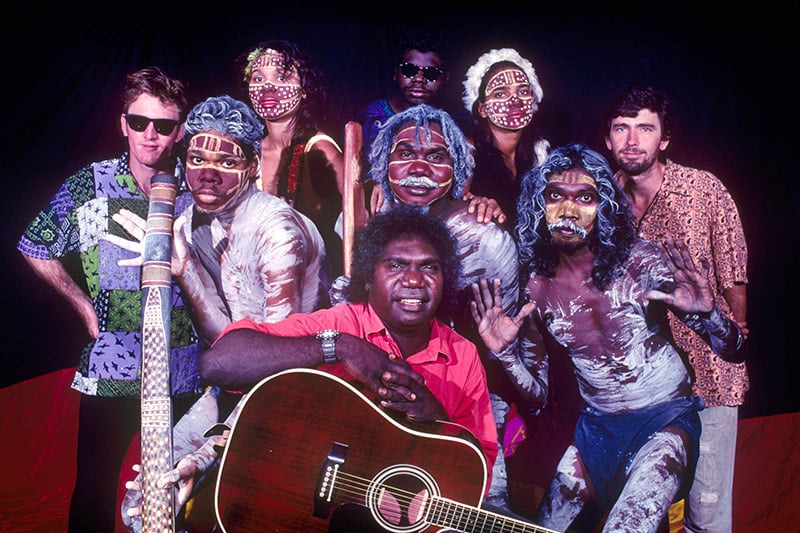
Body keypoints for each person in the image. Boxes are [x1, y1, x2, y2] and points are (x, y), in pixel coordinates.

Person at [125, 206, 499, 531]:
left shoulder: (462, 356)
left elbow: (475, 478)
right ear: (368, 277)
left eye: (429, 268)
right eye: (397, 265)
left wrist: (436, 419)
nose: (415, 280)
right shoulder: (340, 323)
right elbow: (219, 363)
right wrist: (338, 346)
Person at [470, 143, 746, 533]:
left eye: (585, 197)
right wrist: (506, 357)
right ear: (538, 204)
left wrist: (710, 314)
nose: (568, 210)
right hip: (595, 432)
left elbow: (733, 350)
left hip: (664, 421)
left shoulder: (641, 260)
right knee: (546, 529)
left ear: (605, 207)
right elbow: (536, 399)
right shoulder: (536, 288)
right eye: (555, 196)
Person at [112, 93, 326, 531]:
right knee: (145, 498)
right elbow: (229, 341)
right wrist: (185, 271)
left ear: (251, 167)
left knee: (224, 504)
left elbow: (276, 365)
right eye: (196, 159)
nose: (207, 176)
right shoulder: (190, 222)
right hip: (233, 385)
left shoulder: (277, 230)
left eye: (226, 163)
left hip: (298, 392)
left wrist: (205, 455)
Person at [16, 66, 203, 532]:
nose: (150, 136)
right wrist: (83, 306)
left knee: (184, 492)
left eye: (164, 125)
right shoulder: (92, 186)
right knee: (95, 489)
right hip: (115, 364)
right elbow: (34, 245)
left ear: (179, 130)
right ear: (124, 123)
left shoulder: (197, 189)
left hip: (185, 368)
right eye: (139, 122)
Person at [363, 103, 523, 516]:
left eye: (436, 156)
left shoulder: (486, 238)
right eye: (404, 154)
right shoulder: (361, 219)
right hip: (374, 398)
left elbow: (506, 340)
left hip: (461, 398)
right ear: (384, 162)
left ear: (459, 167)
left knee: (478, 512)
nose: (419, 167)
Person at [604, 85, 749, 533]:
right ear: (607, 138)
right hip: (638, 389)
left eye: (645, 128)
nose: (632, 140)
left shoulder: (703, 190)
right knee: (644, 515)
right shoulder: (601, 201)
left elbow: (736, 286)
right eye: (621, 128)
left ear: (664, 139)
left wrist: (730, 341)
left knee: (705, 517)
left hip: (708, 378)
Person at [237, 39, 344, 286]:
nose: (268, 88)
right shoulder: (249, 154)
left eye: (282, 77)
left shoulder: (320, 149)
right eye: (258, 78)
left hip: (315, 286)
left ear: (304, 89)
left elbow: (355, 223)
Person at [461, 47, 550, 230]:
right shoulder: (467, 152)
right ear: (482, 109)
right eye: (501, 94)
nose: (515, 101)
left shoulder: (539, 152)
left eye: (523, 91)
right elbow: (454, 211)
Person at [356, 32, 465, 153]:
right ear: (396, 73)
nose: (418, 79)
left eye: (431, 73)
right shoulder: (370, 120)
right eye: (409, 70)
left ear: (445, 78)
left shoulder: (459, 123)